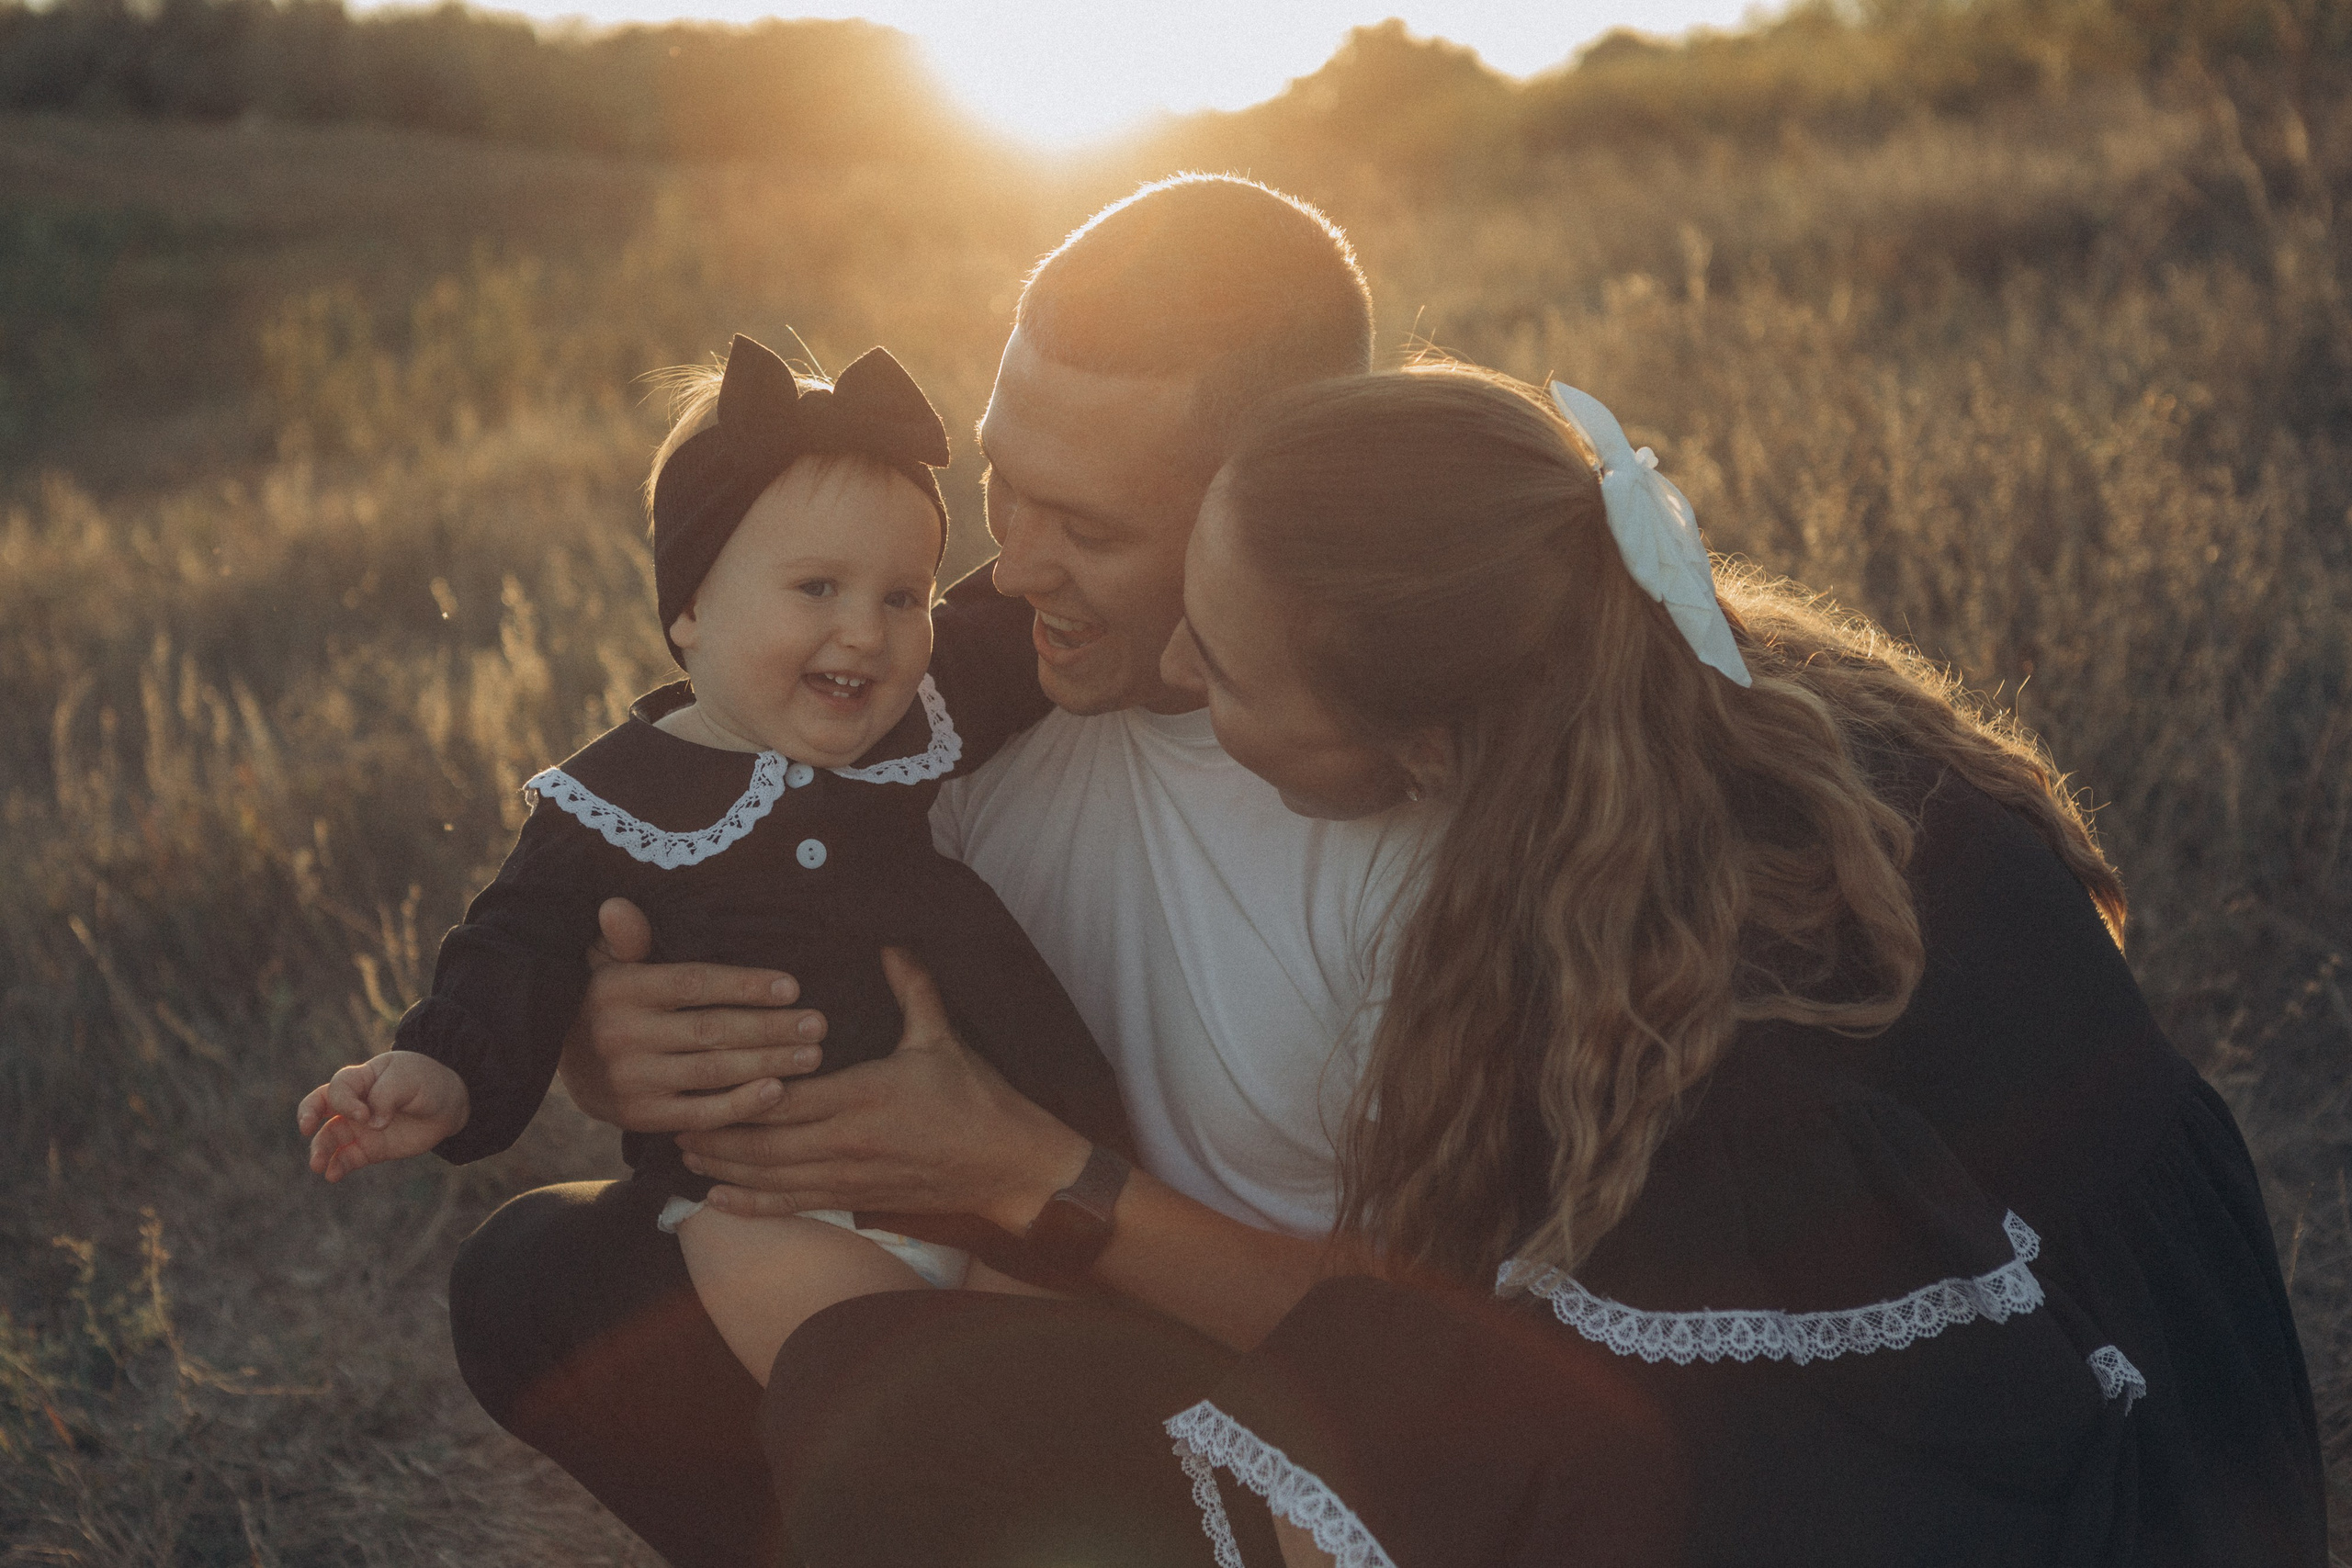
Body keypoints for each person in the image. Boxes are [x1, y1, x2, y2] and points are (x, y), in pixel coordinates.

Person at [758, 366, 2323, 1564]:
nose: (1175, 665)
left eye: (1221, 668)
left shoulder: (1690, 983)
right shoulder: (1649, 677)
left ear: (1427, 746)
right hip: (2072, 1331)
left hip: (2018, 1445)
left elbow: (1590, 1426)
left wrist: (1039, 1176)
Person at [443, 175, 1414, 1568]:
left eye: (1091, 529)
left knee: (890, 1394)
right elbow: (712, 808)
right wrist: (627, 1036)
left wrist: (1034, 1176)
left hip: (1283, 1409)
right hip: (956, 1294)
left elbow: (1454, 1354)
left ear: (1276, 512)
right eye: (1002, 487)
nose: (1009, 571)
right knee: (543, 1278)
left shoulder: (1400, 810)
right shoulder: (944, 694)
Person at [299, 334, 1131, 1389]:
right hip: (767, 1199)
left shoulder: (920, 706)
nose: (865, 632)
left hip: (991, 1170)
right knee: (885, 1389)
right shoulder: (616, 796)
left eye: (899, 596)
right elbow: (512, 947)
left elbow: (1020, 619)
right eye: (817, 587)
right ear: (689, 608)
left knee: (1045, 1381)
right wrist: (443, 1070)